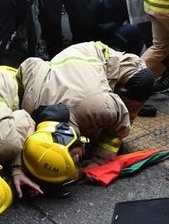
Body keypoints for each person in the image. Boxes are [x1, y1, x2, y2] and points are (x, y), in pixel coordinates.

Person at [11, 41, 153, 197]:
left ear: (68, 138)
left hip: (95, 58)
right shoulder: (29, 109)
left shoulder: (98, 106)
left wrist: (100, 158)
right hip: (62, 70)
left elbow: (121, 118)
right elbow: (30, 64)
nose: (77, 160)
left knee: (143, 80)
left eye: (74, 158)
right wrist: (19, 169)